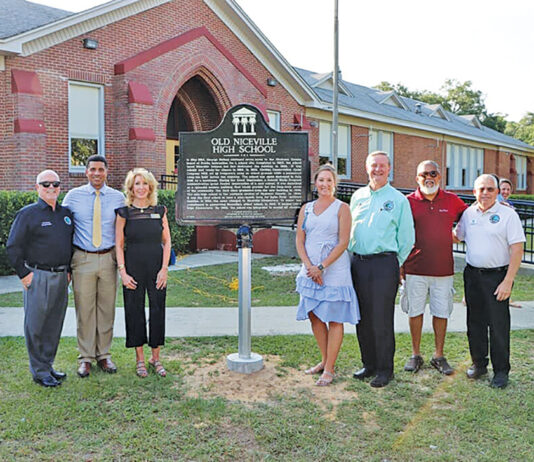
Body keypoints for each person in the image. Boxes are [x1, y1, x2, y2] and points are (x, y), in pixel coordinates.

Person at [349, 151, 415, 388]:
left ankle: (385, 370)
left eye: (382, 166)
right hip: (358, 263)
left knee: (381, 319)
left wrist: (395, 264)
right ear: (367, 168)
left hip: (384, 264)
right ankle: (369, 364)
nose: (378, 169)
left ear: (389, 169)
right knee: (362, 317)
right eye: (373, 165)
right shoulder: (357, 196)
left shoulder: (398, 200)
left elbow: (407, 238)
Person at [454, 174, 525, 389]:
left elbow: (517, 248)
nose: (485, 193)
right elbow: (457, 236)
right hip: (473, 275)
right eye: (481, 189)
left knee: (498, 325)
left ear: (497, 191)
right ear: (474, 192)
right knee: (474, 323)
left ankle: (501, 371)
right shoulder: (468, 213)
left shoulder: (507, 215)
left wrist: (508, 281)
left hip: (497, 276)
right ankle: (479, 364)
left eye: (490, 189)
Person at [6, 170, 73, 387]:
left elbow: (70, 244)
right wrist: (24, 274)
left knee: (54, 324)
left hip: (62, 276)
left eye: (55, 184)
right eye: (46, 185)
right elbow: (13, 247)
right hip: (38, 276)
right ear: (37, 187)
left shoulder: (65, 214)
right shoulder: (28, 214)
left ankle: (48, 365)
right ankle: (39, 371)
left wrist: (69, 269)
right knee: (36, 325)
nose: (51, 188)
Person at [295, 164, 360, 386]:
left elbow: (343, 242)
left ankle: (330, 368)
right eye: (321, 180)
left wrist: (321, 267)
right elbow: (299, 240)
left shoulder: (342, 208)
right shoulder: (306, 208)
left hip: (334, 271)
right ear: (315, 183)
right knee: (314, 314)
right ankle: (324, 360)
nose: (325, 184)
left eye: (329, 180)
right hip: (309, 271)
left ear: (335, 184)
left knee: (334, 318)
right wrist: (309, 267)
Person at [401, 161, 467, 375]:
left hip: (443, 270)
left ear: (440, 176)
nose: (428, 177)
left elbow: (472, 217)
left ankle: (438, 356)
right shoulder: (407, 202)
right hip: (414, 268)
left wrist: (497, 205)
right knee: (415, 311)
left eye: (433, 173)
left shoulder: (452, 200)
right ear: (417, 178)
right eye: (423, 174)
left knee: (441, 312)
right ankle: (415, 354)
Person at [63, 155, 125, 378]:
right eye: (93, 170)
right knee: (85, 309)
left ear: (107, 172)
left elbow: (126, 229)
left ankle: (104, 355)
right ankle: (86, 358)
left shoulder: (119, 198)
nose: (97, 174)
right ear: (86, 172)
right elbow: (62, 228)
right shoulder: (73, 197)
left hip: (108, 259)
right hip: (83, 258)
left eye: (101, 170)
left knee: (106, 309)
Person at [115, 168, 172, 378]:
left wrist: (164, 269)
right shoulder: (124, 213)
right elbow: (119, 245)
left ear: (150, 187)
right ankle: (139, 359)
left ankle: (155, 358)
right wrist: (123, 272)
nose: (141, 188)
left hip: (156, 267)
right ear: (131, 188)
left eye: (144, 183)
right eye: (137, 184)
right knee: (134, 310)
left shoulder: (160, 210)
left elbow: (167, 243)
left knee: (157, 310)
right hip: (132, 268)